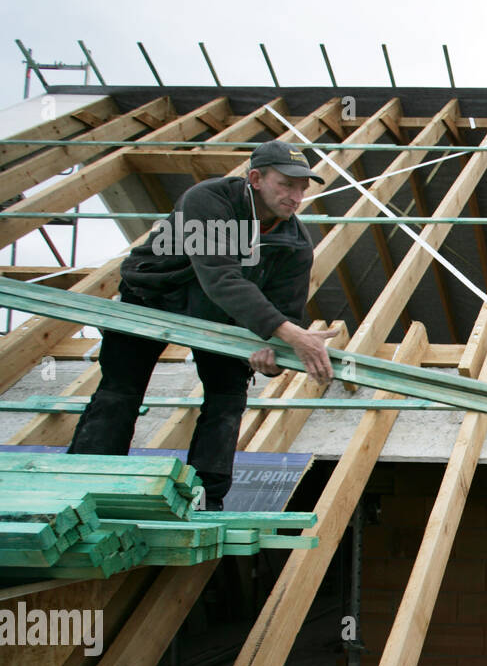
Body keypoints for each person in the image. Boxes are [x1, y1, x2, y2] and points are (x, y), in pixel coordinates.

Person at [67, 140, 339, 511]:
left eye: (303, 188)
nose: (297, 196)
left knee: (228, 397)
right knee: (121, 389)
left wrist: (272, 354)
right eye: (286, 184)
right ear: (255, 178)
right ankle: (86, 479)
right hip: (154, 297)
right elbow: (220, 278)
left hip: (222, 316)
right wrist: (292, 336)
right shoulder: (208, 201)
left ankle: (206, 496)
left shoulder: (294, 243)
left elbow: (285, 313)